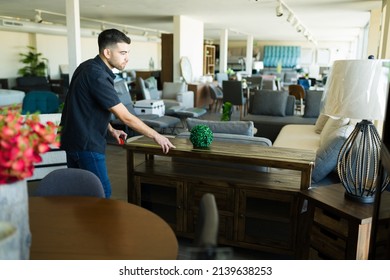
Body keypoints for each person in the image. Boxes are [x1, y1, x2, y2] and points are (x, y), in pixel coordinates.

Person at [60, 28, 175, 198]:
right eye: (122, 53)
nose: (127, 58)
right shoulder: (98, 76)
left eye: (128, 52)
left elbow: (87, 106)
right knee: (102, 193)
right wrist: (156, 136)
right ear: (107, 52)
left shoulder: (86, 67)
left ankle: (85, 224)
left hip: (72, 141)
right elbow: (125, 116)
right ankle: (100, 225)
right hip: (87, 144)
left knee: (81, 194)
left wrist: (111, 129)